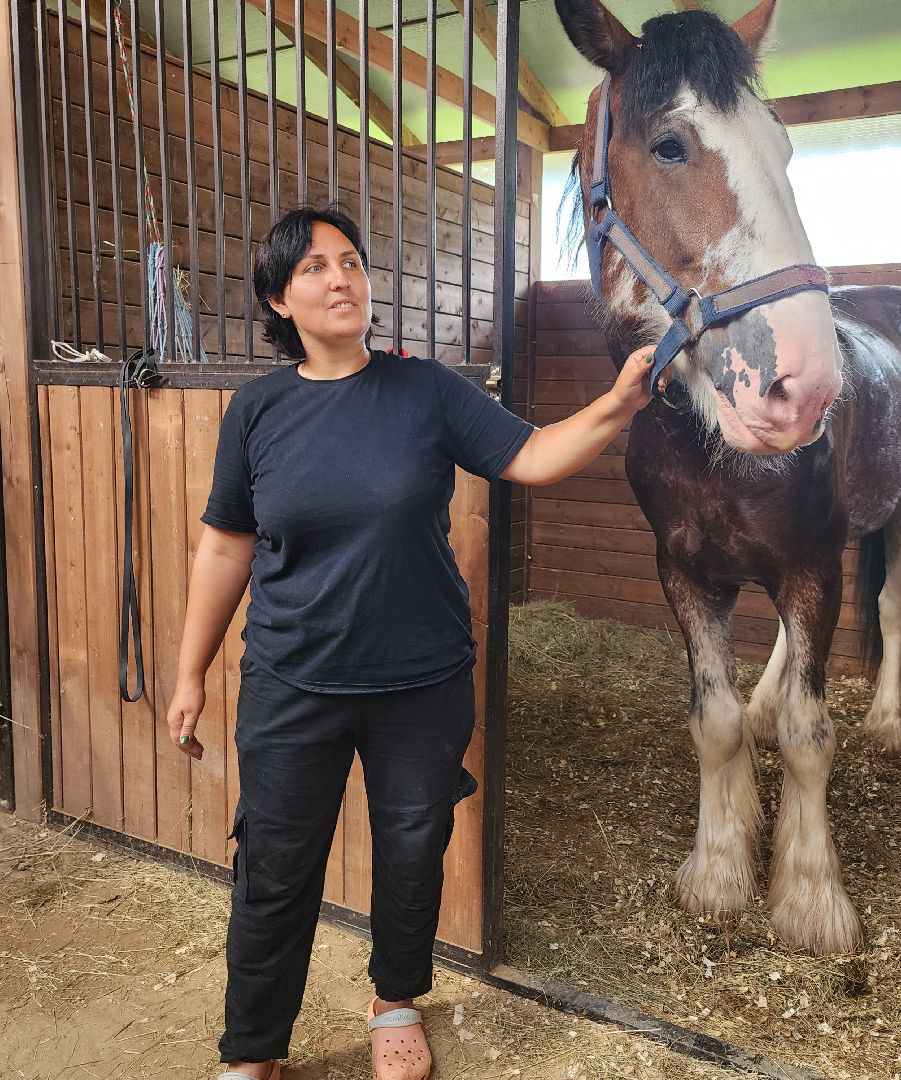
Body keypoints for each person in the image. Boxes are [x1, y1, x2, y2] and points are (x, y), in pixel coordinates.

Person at [166, 205, 657, 1080]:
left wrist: (618, 404)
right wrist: (189, 672)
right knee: (274, 869)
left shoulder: (425, 390)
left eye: (351, 261)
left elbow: (535, 456)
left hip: (420, 682)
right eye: (314, 268)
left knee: (409, 853)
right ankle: (252, 1048)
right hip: (292, 679)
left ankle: (395, 999)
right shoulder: (257, 409)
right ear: (279, 299)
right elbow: (227, 544)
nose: (341, 278)